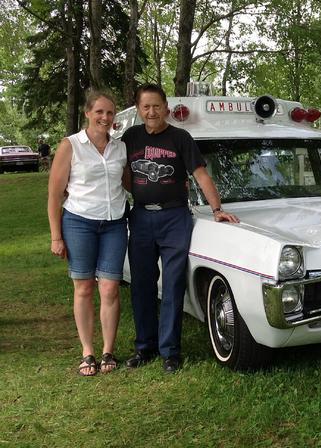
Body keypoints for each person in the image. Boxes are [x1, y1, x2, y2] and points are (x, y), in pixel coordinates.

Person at [122, 83, 239, 373]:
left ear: (166, 108)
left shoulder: (180, 137)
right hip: (140, 218)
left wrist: (217, 209)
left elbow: (200, 174)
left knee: (173, 284)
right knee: (142, 285)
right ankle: (144, 347)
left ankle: (170, 352)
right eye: (146, 107)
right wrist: (140, 193)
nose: (152, 112)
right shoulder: (130, 138)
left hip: (174, 218)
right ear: (139, 109)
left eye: (156, 106)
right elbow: (123, 174)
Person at [48, 91, 128, 376]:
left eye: (110, 113)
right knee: (83, 287)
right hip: (79, 222)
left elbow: (131, 182)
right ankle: (87, 352)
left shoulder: (120, 148)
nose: (105, 118)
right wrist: (56, 236)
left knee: (109, 287)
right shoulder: (70, 146)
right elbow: (55, 194)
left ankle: (108, 349)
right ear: (87, 113)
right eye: (100, 112)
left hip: (115, 224)